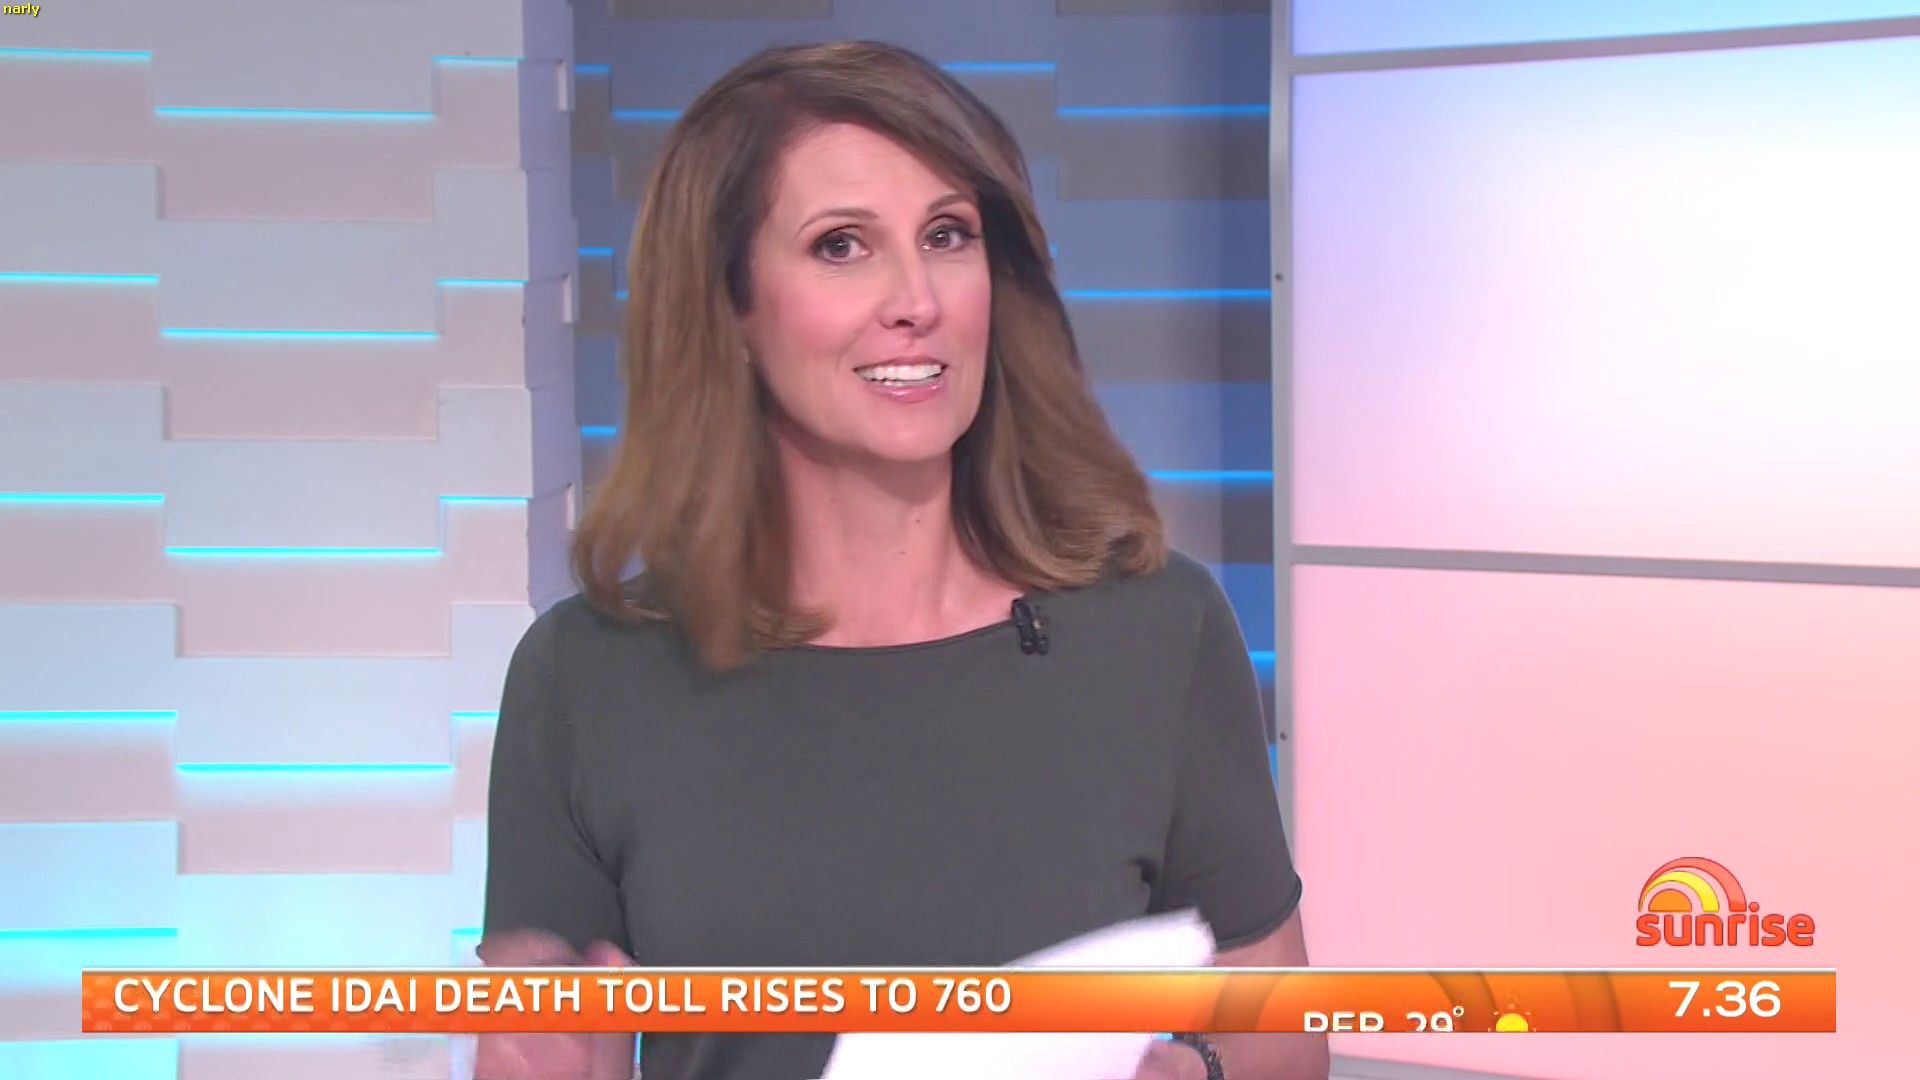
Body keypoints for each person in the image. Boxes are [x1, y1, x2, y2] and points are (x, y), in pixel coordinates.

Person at [477, 39, 1327, 1080]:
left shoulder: (1160, 631)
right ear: (730, 308)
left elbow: (1282, 1035)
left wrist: (1196, 1072)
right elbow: (544, 1043)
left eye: (947, 235)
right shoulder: (585, 677)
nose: (915, 298)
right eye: (841, 245)